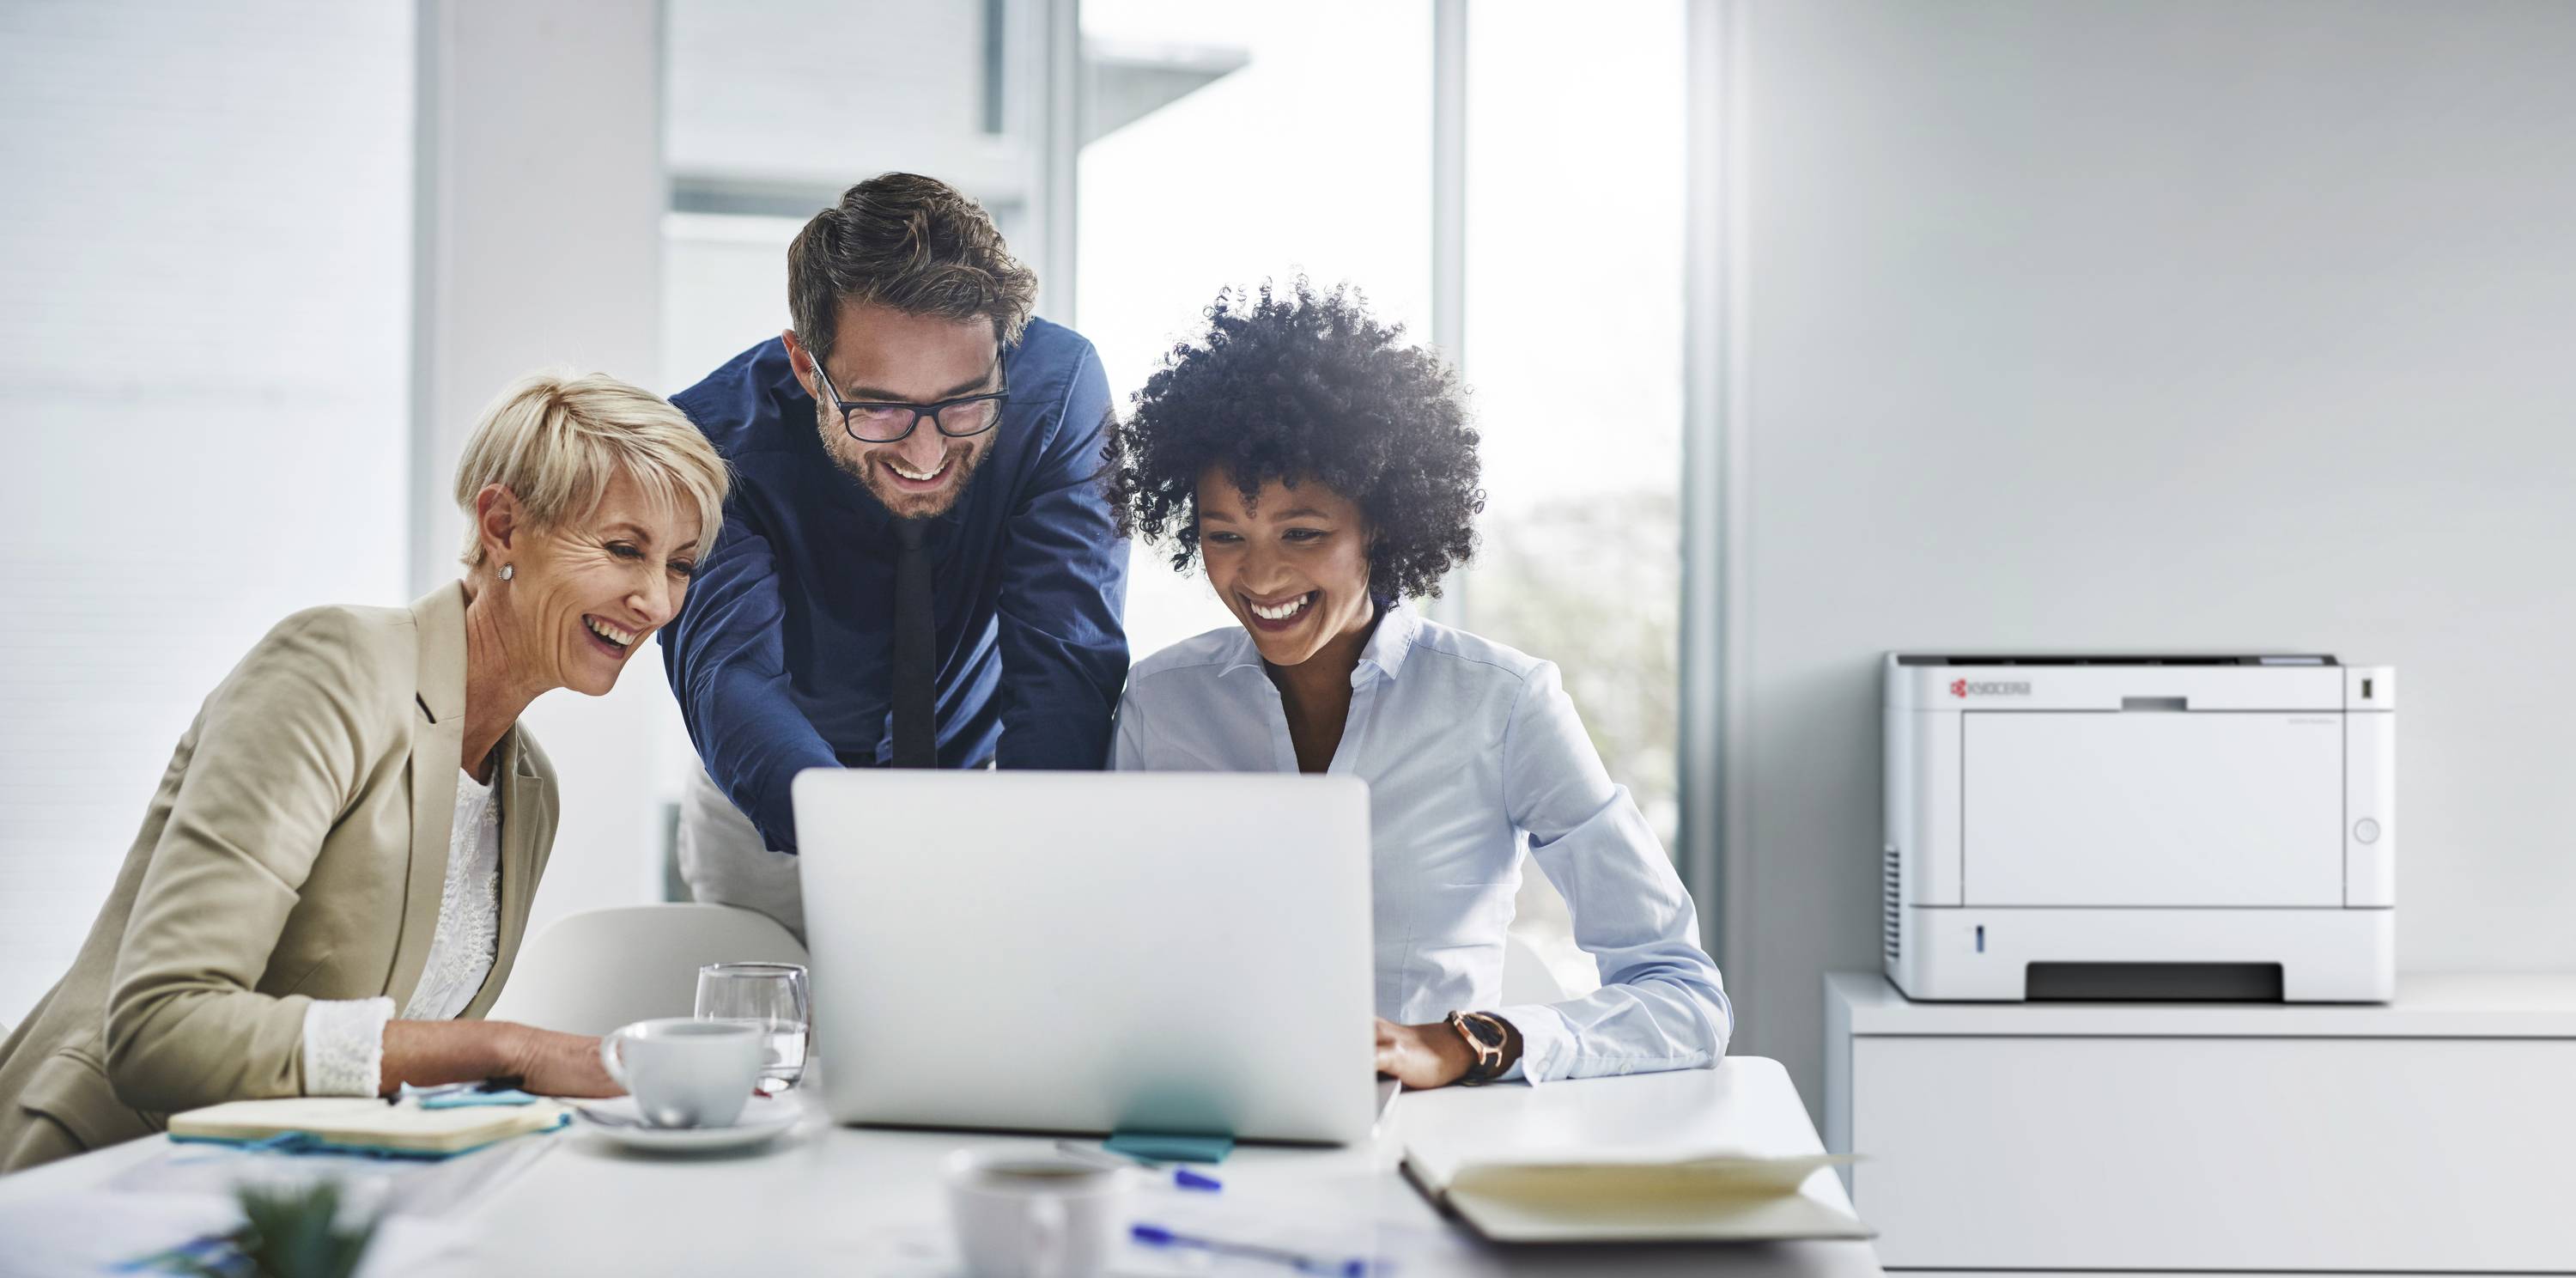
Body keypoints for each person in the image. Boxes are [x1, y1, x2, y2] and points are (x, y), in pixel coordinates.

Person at [0, 371, 729, 1172]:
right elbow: (162, 1029)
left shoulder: (530, 791)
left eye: (679, 565)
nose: (658, 602)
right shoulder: (333, 668)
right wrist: (508, 1050)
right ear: (502, 526)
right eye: (624, 550)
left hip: (294, 1199)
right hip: (98, 1176)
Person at [1109, 281, 1731, 1088]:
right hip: (1208, 1113)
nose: (1258, 576)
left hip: (1430, 1130)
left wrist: (1460, 1043)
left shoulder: (1503, 705)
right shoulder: (1161, 705)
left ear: (1380, 523)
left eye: (1303, 533)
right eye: (1224, 536)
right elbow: (1109, 955)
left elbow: (1684, 997)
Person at [661, 173, 1127, 939]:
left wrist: (1036, 859)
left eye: (964, 401)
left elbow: (1065, 657)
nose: (926, 452)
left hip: (978, 792)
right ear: (806, 366)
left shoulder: (1058, 390)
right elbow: (729, 675)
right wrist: (871, 849)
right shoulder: (707, 442)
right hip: (771, 813)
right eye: (879, 408)